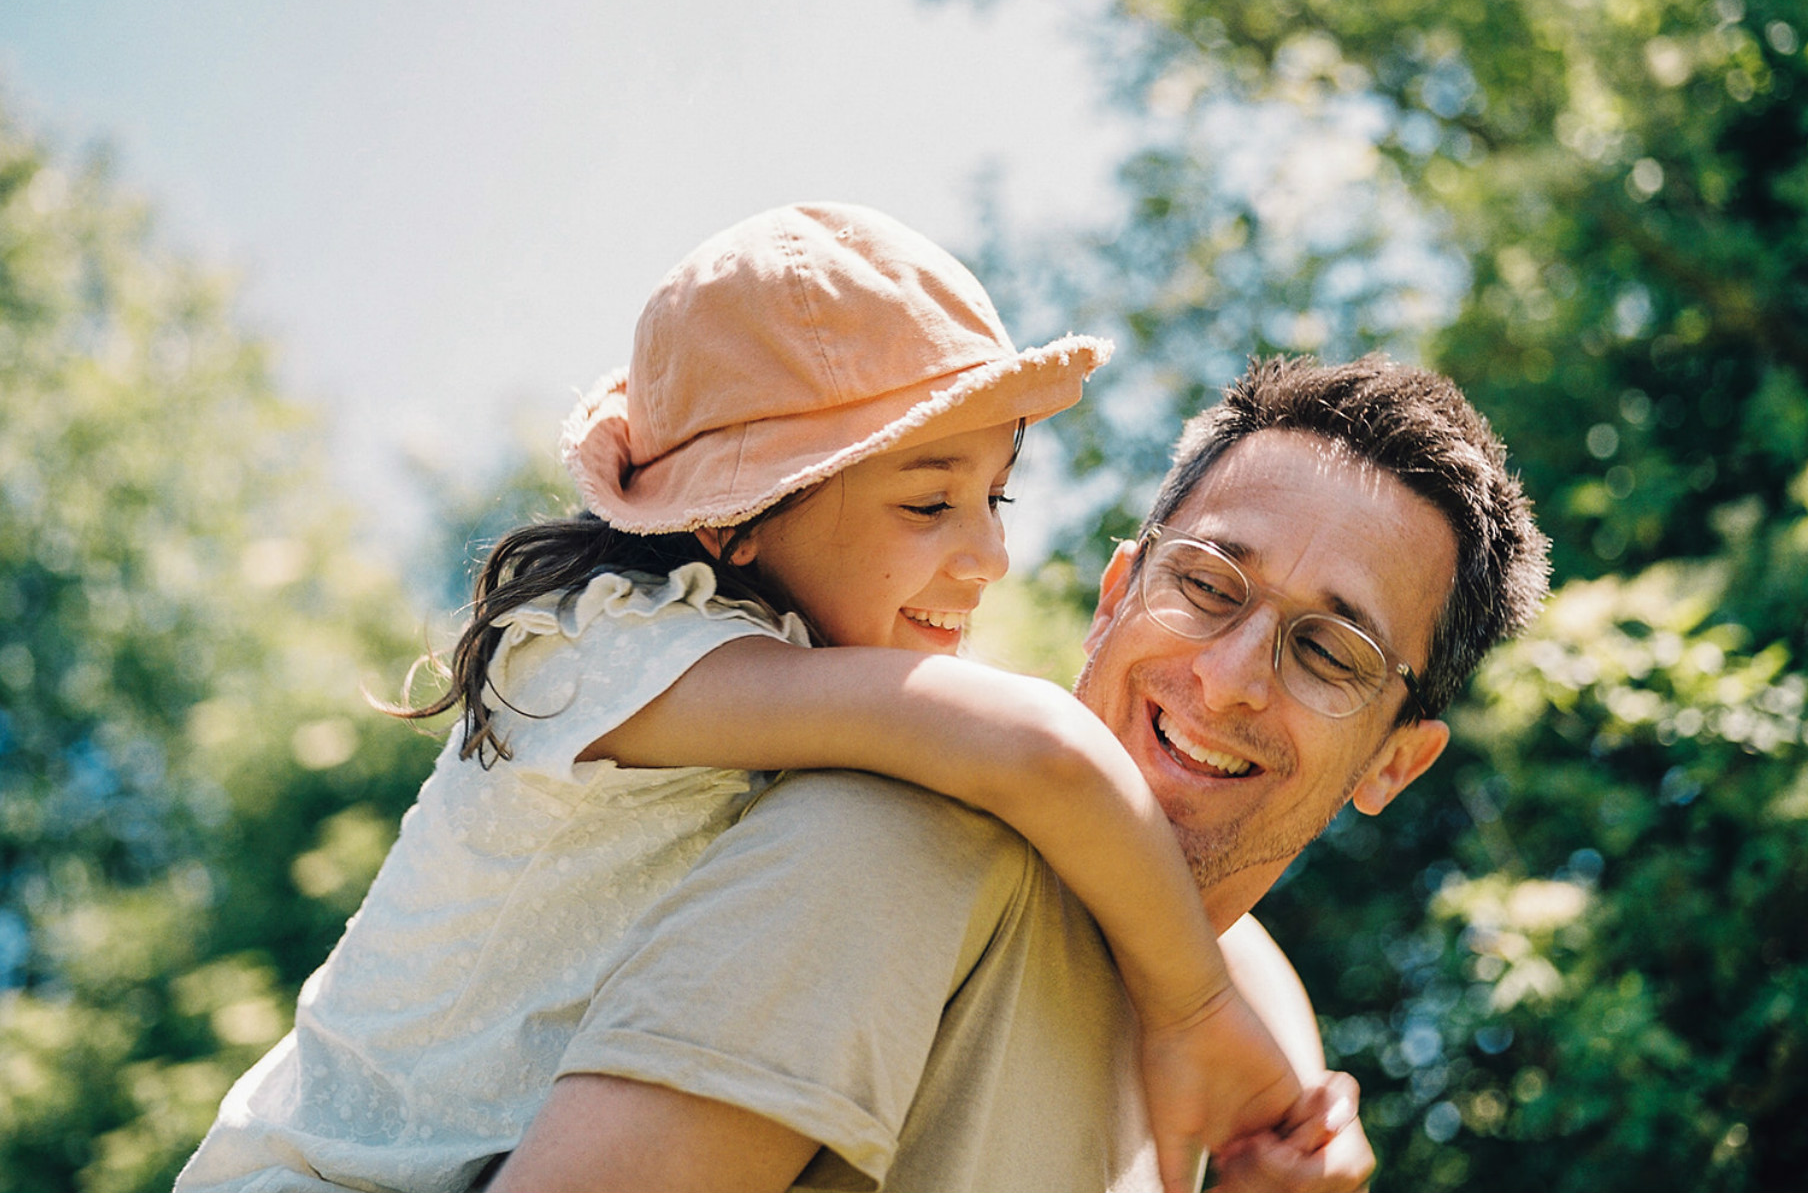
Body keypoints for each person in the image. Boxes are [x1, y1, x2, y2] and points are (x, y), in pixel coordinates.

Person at [175, 204, 1330, 1193]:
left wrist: (1290, 1094)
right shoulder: (608, 652)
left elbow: (1157, 877)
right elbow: (1045, 756)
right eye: (928, 506)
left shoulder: (795, 674)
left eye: (997, 499)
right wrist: (1190, 1017)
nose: (988, 557)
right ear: (736, 515)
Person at [494, 353, 1551, 1193]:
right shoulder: (902, 847)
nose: (1230, 681)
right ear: (1113, 600)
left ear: (1396, 763)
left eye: (1328, 652)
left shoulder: (1266, 1027)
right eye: (1208, 584)